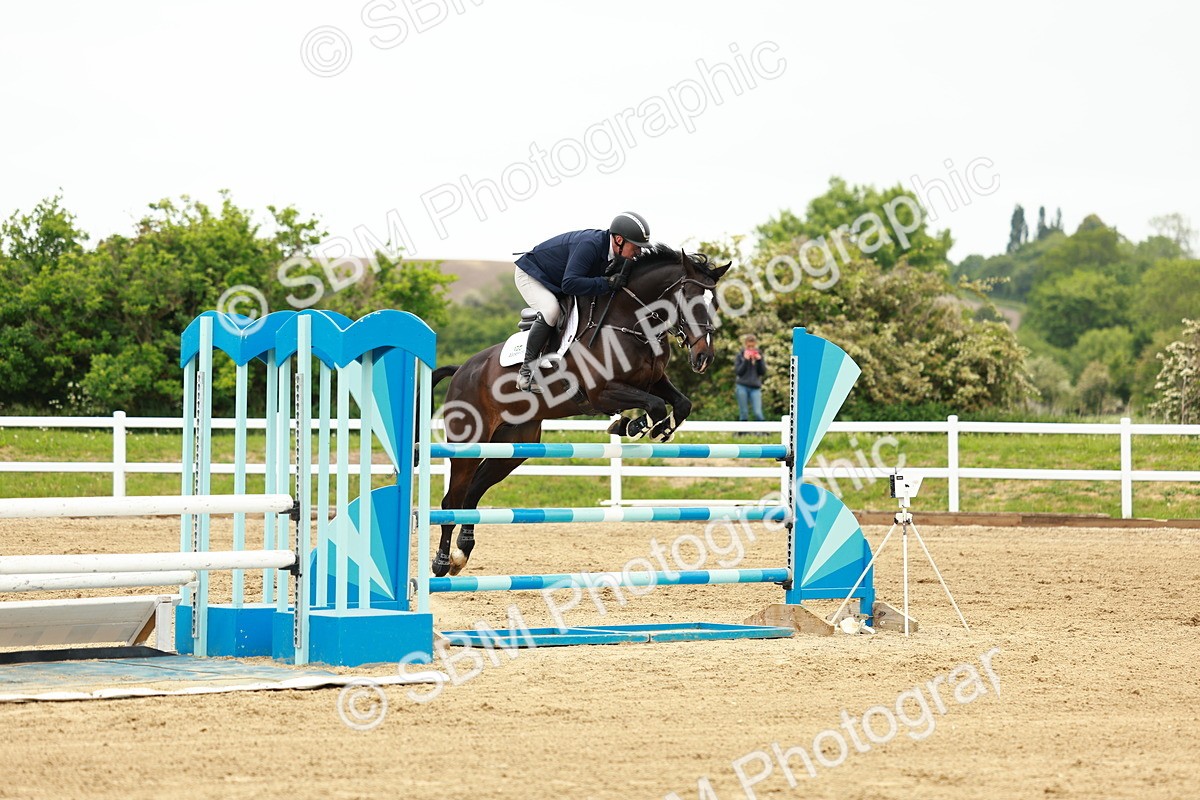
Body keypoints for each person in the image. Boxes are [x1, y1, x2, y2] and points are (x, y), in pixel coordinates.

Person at [512, 212, 652, 392]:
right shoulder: (590, 245)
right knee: (551, 310)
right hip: (532, 275)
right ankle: (525, 373)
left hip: (557, 279)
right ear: (619, 240)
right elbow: (569, 284)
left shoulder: (615, 253)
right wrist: (606, 283)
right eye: (636, 247)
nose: (638, 252)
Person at [734, 334, 767, 429]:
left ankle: (763, 431)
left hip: (755, 387)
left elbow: (763, 372)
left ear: (755, 345)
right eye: (749, 346)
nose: (751, 348)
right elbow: (738, 372)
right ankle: (743, 432)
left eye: (753, 346)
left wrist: (759, 360)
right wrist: (745, 360)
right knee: (743, 412)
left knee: (757, 412)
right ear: (745, 345)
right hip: (742, 386)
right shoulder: (740, 355)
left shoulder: (759, 354)